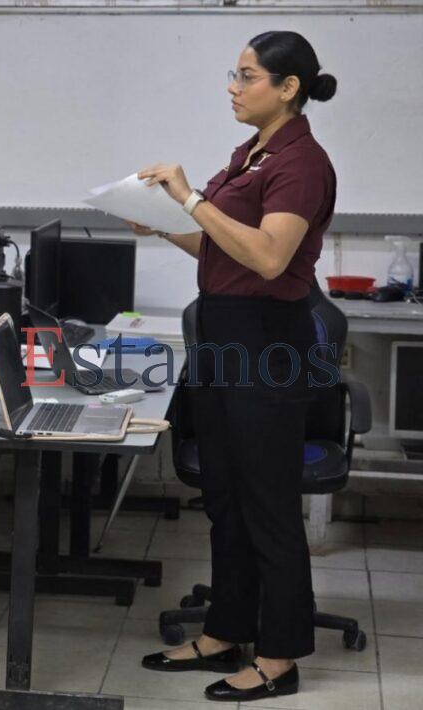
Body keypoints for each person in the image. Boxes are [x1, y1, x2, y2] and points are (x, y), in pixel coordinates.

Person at [131, 32, 337, 702]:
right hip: (224, 335)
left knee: (267, 505)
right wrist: (163, 223)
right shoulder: (252, 154)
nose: (233, 86)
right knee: (224, 499)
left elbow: (270, 258)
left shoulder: (301, 163)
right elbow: (224, 248)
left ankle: (279, 657)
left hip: (266, 343)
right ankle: (225, 631)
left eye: (247, 76)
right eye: (234, 73)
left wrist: (191, 198)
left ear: (288, 87)